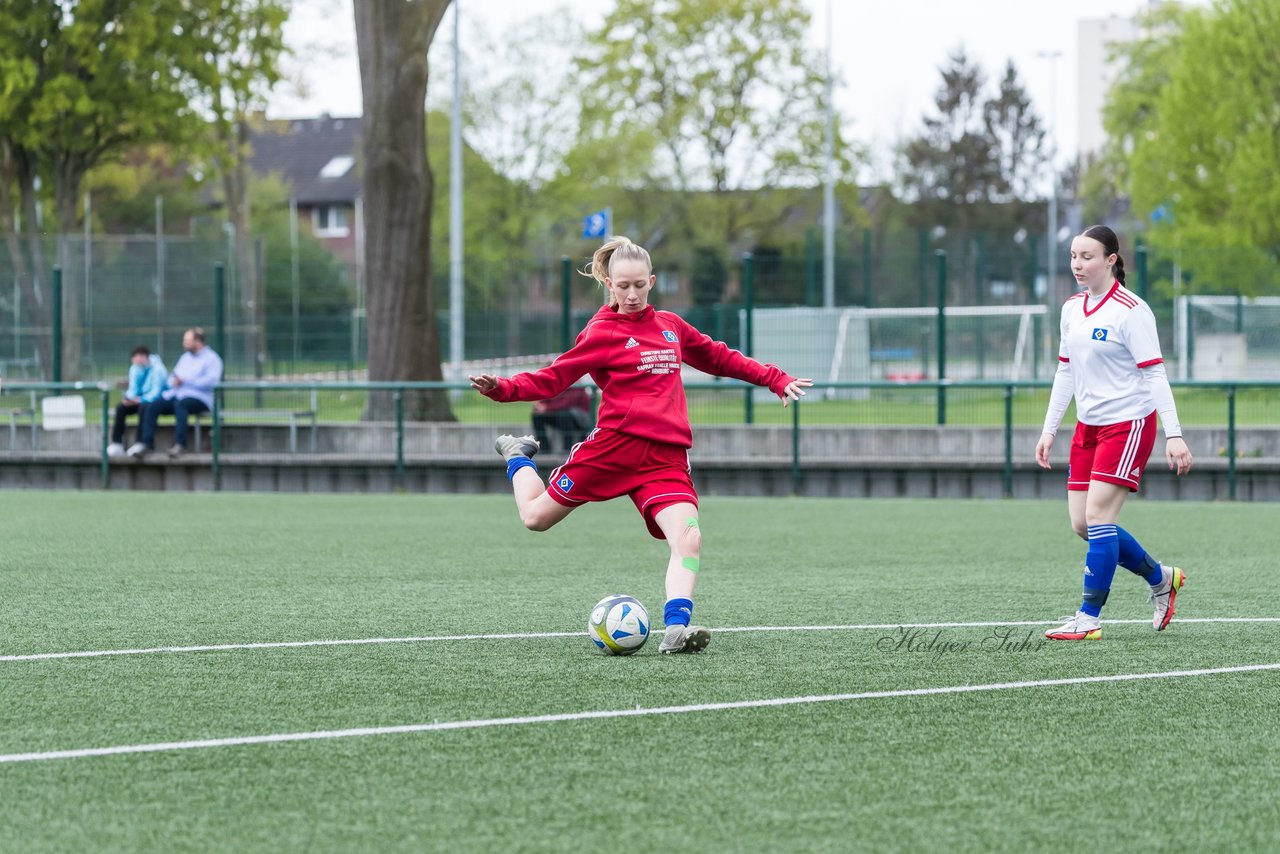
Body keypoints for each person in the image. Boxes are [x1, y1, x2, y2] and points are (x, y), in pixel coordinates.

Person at [470, 236, 813, 654]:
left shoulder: (671, 326)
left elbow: (720, 357)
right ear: (609, 285)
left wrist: (774, 378)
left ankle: (675, 629)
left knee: (688, 538)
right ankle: (518, 457)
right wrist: (503, 388)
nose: (632, 294)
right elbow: (555, 377)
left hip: (664, 458)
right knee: (535, 518)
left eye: (639, 285)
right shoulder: (600, 333)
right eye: (622, 286)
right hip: (614, 449)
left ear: (652, 282)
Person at [1035, 225, 1194, 641]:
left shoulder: (1131, 310)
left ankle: (1088, 619)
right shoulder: (1071, 308)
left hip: (1129, 425)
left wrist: (1173, 434)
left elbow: (1155, 373)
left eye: (1087, 256)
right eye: (1073, 256)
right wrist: (1049, 429)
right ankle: (1161, 578)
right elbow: (1065, 370)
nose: (1077, 264)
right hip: (1088, 427)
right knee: (1083, 524)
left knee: (1100, 517)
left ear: (1111, 260)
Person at [128, 327, 223, 459]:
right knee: (152, 405)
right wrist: (175, 381)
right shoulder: (185, 358)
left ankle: (180, 445)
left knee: (181, 405)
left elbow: (212, 381)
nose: (185, 343)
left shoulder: (212, 359)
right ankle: (146, 444)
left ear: (198, 341)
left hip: (200, 398)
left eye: (188, 340)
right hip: (177, 394)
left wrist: (186, 381)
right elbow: (173, 377)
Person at [107, 346, 168, 457]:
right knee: (121, 408)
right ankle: (117, 443)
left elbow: (155, 393)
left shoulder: (158, 369)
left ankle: (140, 442)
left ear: (144, 357)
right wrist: (129, 399)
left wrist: (139, 400)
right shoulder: (135, 368)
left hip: (154, 402)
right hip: (138, 400)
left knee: (144, 407)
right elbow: (133, 389)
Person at [531, 384, 593, 454]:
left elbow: (566, 404)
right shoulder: (560, 382)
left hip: (578, 421)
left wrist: (546, 408)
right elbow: (550, 397)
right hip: (560, 417)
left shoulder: (578, 388)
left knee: (564, 415)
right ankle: (544, 449)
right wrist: (541, 404)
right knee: (537, 415)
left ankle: (567, 449)